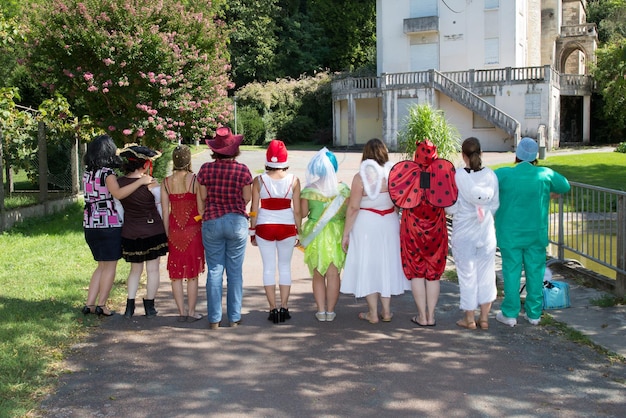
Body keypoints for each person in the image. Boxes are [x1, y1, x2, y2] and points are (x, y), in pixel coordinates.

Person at [494, 137, 570, 327]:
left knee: (511, 271)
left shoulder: (503, 175)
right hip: (536, 233)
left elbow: (487, 185)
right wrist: (550, 193)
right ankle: (534, 313)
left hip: (510, 233)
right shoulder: (544, 175)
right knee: (535, 272)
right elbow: (565, 186)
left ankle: (510, 314)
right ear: (536, 156)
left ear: (517, 154)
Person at [81, 135, 154, 317]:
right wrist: (141, 181)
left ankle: (89, 304)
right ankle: (102, 305)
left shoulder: (87, 173)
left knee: (101, 265)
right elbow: (119, 194)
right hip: (108, 223)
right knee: (110, 266)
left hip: (90, 223)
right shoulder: (107, 173)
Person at [388, 139, 457, 327]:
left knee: (417, 273)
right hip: (436, 229)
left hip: (413, 229)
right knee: (433, 274)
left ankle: (421, 316)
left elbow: (397, 196)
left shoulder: (409, 173)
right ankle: (432, 316)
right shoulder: (442, 172)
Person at [340, 138, 409, 323]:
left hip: (366, 225)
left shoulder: (360, 177)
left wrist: (346, 234)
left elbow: (353, 208)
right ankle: (386, 311)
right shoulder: (393, 174)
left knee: (369, 265)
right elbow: (398, 203)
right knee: (386, 264)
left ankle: (372, 313)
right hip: (389, 222)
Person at [197, 127, 253, 329]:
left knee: (214, 271)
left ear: (215, 149)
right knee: (235, 272)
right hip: (236, 221)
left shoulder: (205, 169)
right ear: (235, 149)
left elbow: (202, 197)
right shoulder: (243, 170)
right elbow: (247, 197)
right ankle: (235, 317)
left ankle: (214, 319)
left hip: (212, 220)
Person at [446, 137, 499, 330]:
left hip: (463, 233)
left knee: (467, 275)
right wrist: (482, 214)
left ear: (463, 155)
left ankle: (469, 318)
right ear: (481, 153)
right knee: (486, 274)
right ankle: (484, 318)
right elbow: (495, 204)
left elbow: (450, 207)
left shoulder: (458, 176)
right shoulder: (491, 176)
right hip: (485, 232)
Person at [249, 140, 302, 323]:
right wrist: (299, 231)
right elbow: (297, 211)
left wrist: (252, 231)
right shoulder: (294, 180)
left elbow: (254, 209)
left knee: (269, 268)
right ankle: (284, 307)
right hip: (287, 226)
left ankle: (272, 309)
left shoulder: (259, 180)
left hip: (264, 226)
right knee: (285, 267)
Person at [117, 144, 168, 319]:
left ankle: (129, 307)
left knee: (135, 270)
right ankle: (150, 307)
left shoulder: (119, 183)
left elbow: (119, 211)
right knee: (153, 270)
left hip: (131, 231)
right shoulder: (151, 184)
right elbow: (161, 208)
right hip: (153, 230)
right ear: (145, 164)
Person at [300, 148, 350, 322]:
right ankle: (331, 311)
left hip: (316, 235)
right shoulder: (343, 189)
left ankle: (320, 311)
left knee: (318, 274)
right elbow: (347, 213)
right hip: (336, 234)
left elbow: (304, 213)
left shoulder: (308, 190)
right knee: (333, 274)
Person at [161, 144, 206, 323]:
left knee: (176, 275)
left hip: (174, 230)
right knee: (192, 274)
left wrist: (167, 233)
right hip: (193, 230)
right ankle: (192, 311)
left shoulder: (166, 182)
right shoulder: (195, 180)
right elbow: (201, 209)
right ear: (189, 160)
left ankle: (181, 312)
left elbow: (165, 212)